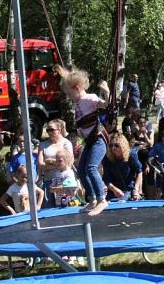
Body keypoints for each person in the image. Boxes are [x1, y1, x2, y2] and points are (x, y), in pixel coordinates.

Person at [56, 65, 110, 216]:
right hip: (90, 141)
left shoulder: (89, 98)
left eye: (69, 93)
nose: (68, 97)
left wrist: (106, 92)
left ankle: (102, 200)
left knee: (91, 168)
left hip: (98, 139)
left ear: (77, 88)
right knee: (81, 170)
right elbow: (83, 125)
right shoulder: (78, 103)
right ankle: (92, 200)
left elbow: (106, 105)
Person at [37, 120, 73, 206]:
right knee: (48, 208)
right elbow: (41, 165)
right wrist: (59, 163)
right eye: (48, 130)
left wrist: (50, 161)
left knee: (64, 207)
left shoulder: (66, 143)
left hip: (64, 181)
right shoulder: (42, 145)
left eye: (52, 130)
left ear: (59, 130)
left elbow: (69, 163)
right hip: (48, 181)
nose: (49, 132)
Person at [102, 134, 142, 201]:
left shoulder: (131, 155)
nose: (113, 148)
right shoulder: (107, 158)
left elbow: (139, 172)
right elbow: (106, 179)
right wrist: (114, 189)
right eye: (111, 145)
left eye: (116, 145)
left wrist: (136, 189)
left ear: (123, 145)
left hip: (128, 190)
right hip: (113, 191)